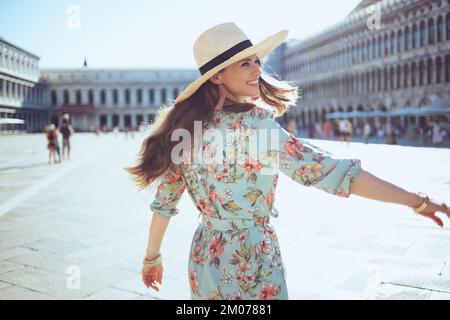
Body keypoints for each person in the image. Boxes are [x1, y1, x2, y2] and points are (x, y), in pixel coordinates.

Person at [125, 22, 450, 300]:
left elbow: (164, 203)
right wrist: (417, 202)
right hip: (250, 260)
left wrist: (151, 258)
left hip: (204, 258)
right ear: (216, 77)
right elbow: (333, 172)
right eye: (245, 65)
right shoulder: (257, 128)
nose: (257, 71)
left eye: (256, 61)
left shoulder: (186, 130)